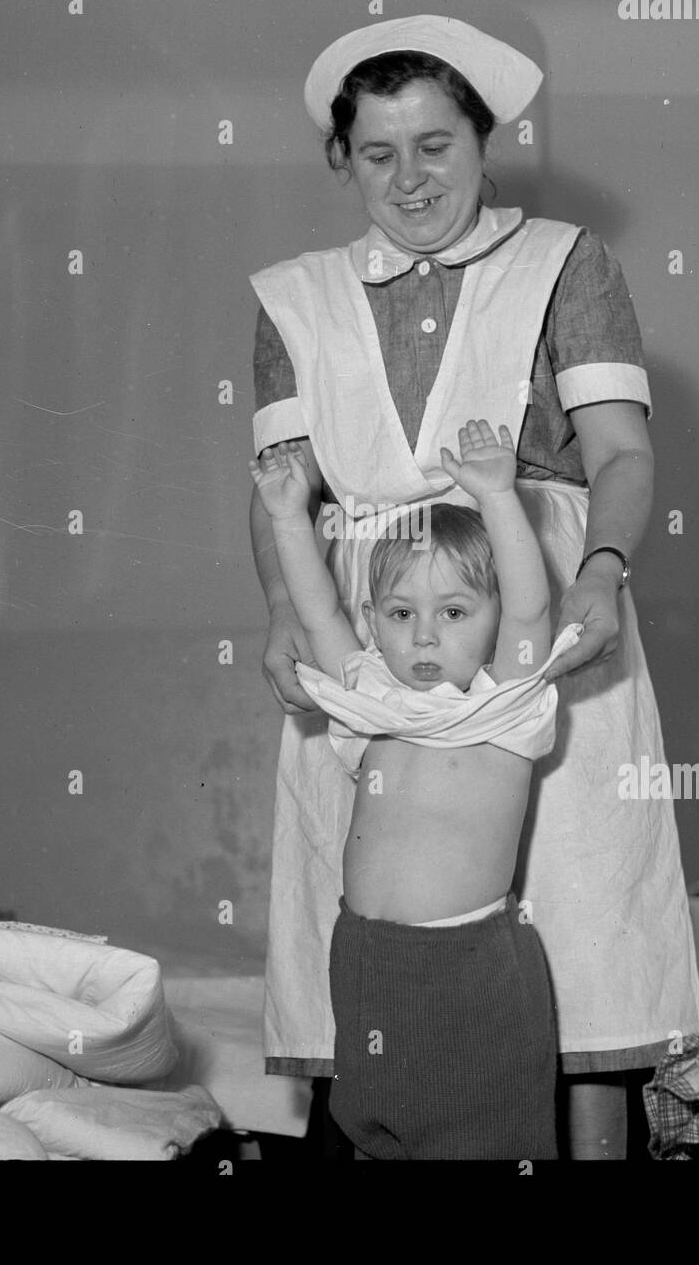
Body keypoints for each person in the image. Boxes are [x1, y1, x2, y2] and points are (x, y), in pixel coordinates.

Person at [248, 14, 699, 1159]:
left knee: (585, 899)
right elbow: (280, 495)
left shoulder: (564, 259)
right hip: (362, 608)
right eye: (379, 152)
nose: (410, 178)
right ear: (340, 160)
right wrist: (276, 616)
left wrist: (600, 567)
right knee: (372, 896)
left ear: (484, 141)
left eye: (436, 145)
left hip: (532, 587)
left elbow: (620, 454)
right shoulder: (292, 296)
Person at [249, 421, 578, 1158]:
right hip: (366, 963)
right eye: (402, 614)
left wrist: (497, 496)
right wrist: (285, 516)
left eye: (454, 612)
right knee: (378, 1131)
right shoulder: (372, 699)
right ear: (375, 624)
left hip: (466, 978)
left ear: (492, 626)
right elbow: (319, 614)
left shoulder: (504, 709)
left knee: (479, 1141)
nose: (425, 636)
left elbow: (531, 608)